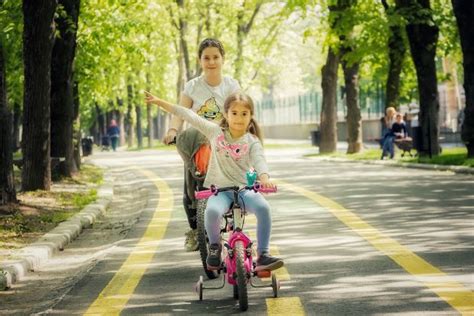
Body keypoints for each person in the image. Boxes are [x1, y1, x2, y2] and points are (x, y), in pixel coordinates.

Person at [145, 91, 284, 272]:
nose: (239, 118)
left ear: (251, 117)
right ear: (226, 114)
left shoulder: (252, 141)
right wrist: (160, 102)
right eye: (234, 113)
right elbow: (188, 114)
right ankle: (215, 248)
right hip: (220, 191)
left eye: (244, 114)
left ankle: (263, 254)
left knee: (264, 208)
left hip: (245, 190)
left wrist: (264, 178)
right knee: (211, 211)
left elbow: (259, 161)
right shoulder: (214, 132)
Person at [164, 38, 240, 252]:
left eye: (216, 57)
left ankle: (237, 223)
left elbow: (240, 110)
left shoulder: (231, 85)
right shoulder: (192, 86)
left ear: (223, 59)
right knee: (190, 187)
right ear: (200, 61)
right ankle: (195, 230)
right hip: (199, 146)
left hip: (224, 142)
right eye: (206, 58)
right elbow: (179, 114)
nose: (211, 62)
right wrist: (172, 131)